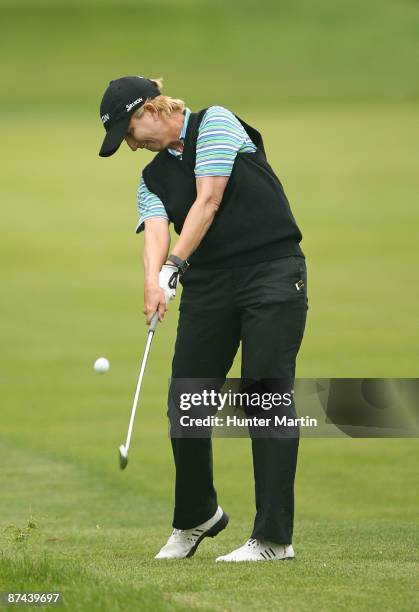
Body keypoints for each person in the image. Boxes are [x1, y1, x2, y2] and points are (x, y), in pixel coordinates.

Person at [98, 75, 308, 562]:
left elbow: (207, 201)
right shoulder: (150, 178)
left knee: (265, 394)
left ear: (151, 109)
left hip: (271, 273)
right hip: (211, 285)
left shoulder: (216, 123)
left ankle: (274, 538)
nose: (132, 146)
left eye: (130, 131)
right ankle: (198, 517)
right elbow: (155, 233)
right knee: (186, 399)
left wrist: (175, 265)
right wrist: (154, 283)